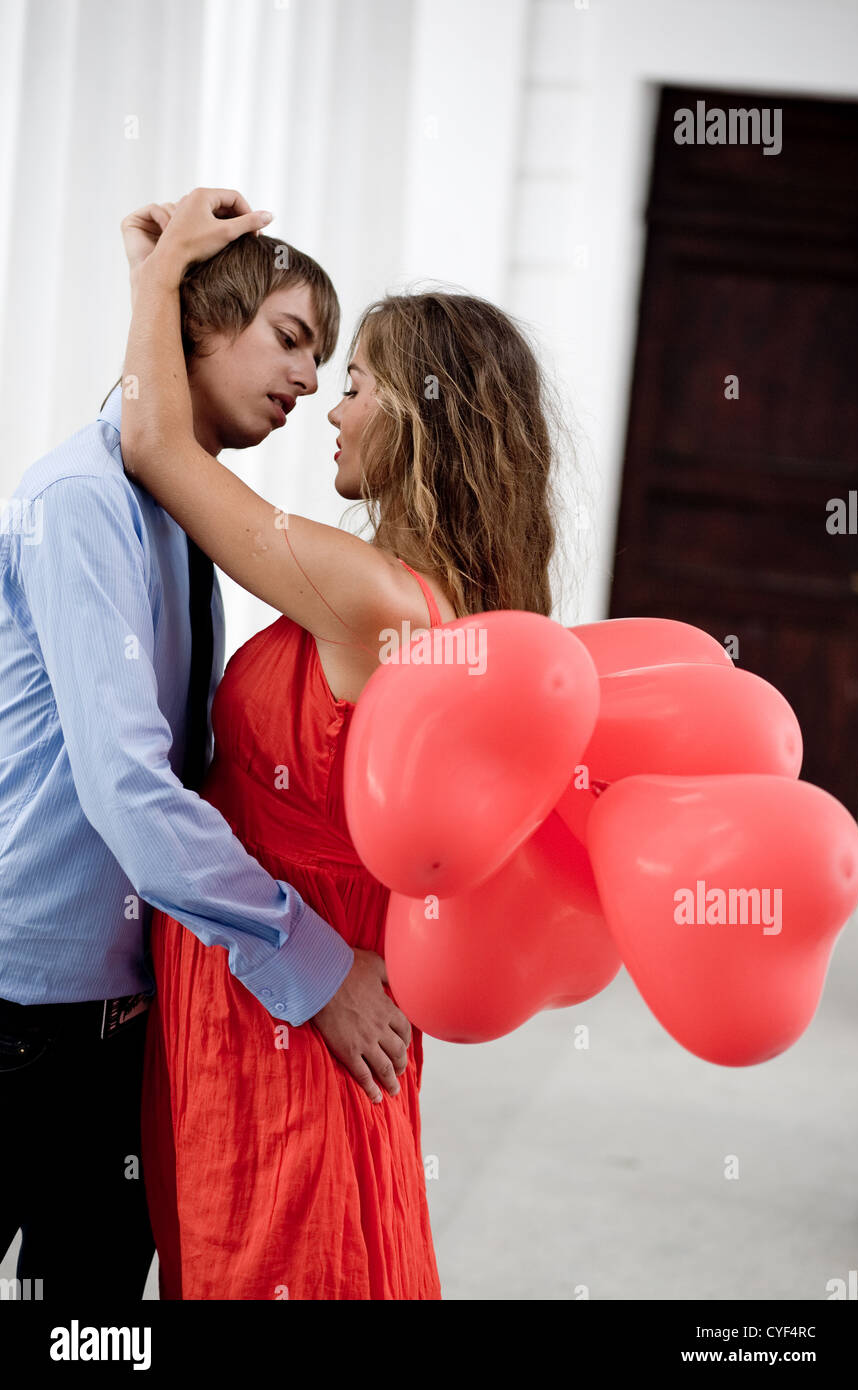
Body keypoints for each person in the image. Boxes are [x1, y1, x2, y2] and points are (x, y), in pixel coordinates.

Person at [121, 187, 559, 1301]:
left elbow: (157, 445)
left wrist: (161, 273)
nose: (328, 405)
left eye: (353, 381)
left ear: (416, 415)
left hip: (290, 990)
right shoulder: (428, 595)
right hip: (287, 975)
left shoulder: (373, 597)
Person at [0, 190, 407, 1302]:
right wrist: (310, 963)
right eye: (288, 339)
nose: (309, 382)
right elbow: (132, 788)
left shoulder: (176, 512)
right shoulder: (84, 502)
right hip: (26, 1004)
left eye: (324, 360)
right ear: (195, 325)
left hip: (120, 1006)